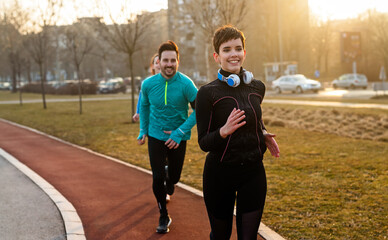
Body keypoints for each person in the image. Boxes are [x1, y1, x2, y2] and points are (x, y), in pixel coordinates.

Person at [195, 25, 280, 240]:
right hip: (219, 175)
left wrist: (262, 132)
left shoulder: (257, 88)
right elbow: (204, 142)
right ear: (217, 56)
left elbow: (255, 117)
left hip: (253, 172)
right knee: (220, 236)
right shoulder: (206, 93)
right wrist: (223, 131)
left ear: (244, 52)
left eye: (238, 48)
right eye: (226, 49)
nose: (233, 54)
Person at [137, 40, 198, 234]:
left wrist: (180, 132)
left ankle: (170, 176)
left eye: (173, 60)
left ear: (178, 61)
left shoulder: (186, 84)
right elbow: (144, 107)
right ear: (159, 62)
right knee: (157, 177)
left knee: (174, 178)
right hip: (156, 136)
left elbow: (200, 111)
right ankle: (163, 215)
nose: (169, 64)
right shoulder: (148, 84)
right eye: (165, 60)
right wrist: (143, 130)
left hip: (178, 138)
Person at [132, 54, 161, 122]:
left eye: (160, 62)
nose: (159, 65)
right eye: (156, 63)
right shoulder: (146, 83)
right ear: (153, 66)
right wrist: (138, 112)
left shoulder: (169, 82)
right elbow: (141, 97)